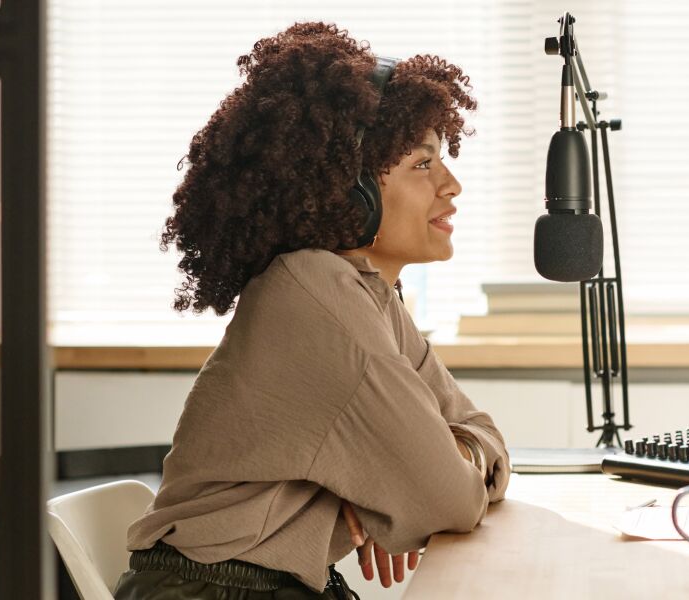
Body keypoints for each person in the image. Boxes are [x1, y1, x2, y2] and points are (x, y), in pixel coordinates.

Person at [116, 22, 510, 600]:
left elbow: (484, 438)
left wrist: (415, 473)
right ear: (350, 188)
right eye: (422, 165)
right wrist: (402, 481)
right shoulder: (317, 294)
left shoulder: (365, 292)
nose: (453, 185)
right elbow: (449, 500)